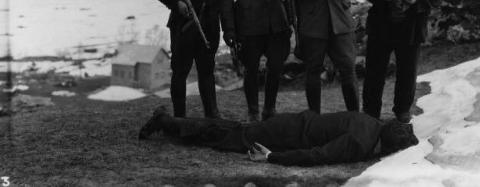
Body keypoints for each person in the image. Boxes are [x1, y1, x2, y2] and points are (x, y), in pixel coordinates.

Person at [138, 106, 419, 166]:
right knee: (224, 137)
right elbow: (317, 156)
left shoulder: (371, 122)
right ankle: (164, 121)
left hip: (294, 124)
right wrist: (272, 157)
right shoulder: (359, 142)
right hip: (287, 135)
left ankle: (169, 121)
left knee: (231, 129)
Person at [361, 0, 442, 123]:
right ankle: (371, 113)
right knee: (374, 71)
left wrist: (417, 0)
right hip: (381, 25)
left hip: (411, 29)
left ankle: (402, 111)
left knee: (407, 72)